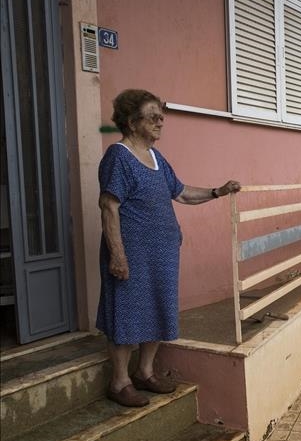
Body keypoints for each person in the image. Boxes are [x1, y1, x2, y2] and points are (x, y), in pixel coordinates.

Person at [97, 89, 241, 407]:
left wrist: (218, 191)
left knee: (158, 308)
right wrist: (117, 255)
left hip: (161, 253)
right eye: (153, 116)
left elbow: (182, 193)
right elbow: (109, 206)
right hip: (132, 253)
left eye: (162, 116)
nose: (161, 122)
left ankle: (145, 372)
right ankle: (119, 381)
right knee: (125, 313)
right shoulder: (118, 157)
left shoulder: (157, 158)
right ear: (133, 123)